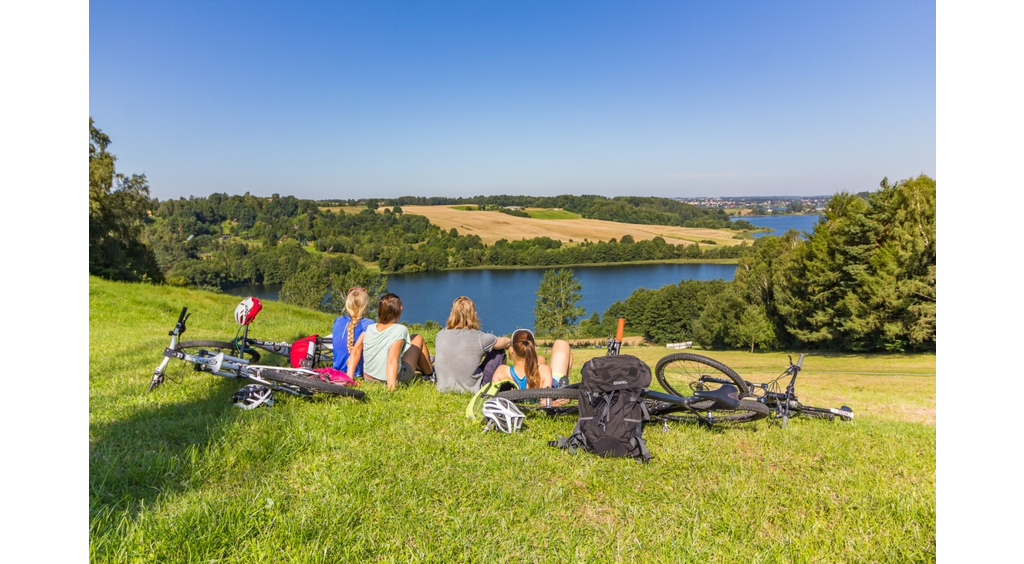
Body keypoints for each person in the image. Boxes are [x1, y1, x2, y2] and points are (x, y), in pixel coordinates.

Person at [434, 296, 511, 393]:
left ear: (452, 314)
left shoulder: (440, 335)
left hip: (443, 388)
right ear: (474, 315)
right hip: (472, 389)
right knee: (499, 351)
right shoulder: (480, 337)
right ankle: (499, 385)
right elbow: (506, 342)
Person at [360, 293, 433, 391]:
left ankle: (421, 366)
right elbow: (392, 359)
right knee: (417, 337)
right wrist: (391, 388)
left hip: (369, 377)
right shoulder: (400, 330)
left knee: (409, 342)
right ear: (400, 308)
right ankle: (429, 374)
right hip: (389, 378)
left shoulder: (370, 328)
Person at [492, 329, 573, 389]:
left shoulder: (501, 371)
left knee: (541, 359)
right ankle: (564, 385)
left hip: (529, 377)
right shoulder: (545, 370)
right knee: (561, 344)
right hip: (548, 383)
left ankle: (539, 362)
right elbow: (546, 402)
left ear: (511, 351)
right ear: (534, 350)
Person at [332, 287, 373, 378]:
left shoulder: (337, 321)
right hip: (358, 372)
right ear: (365, 305)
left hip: (336, 370)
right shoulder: (369, 324)